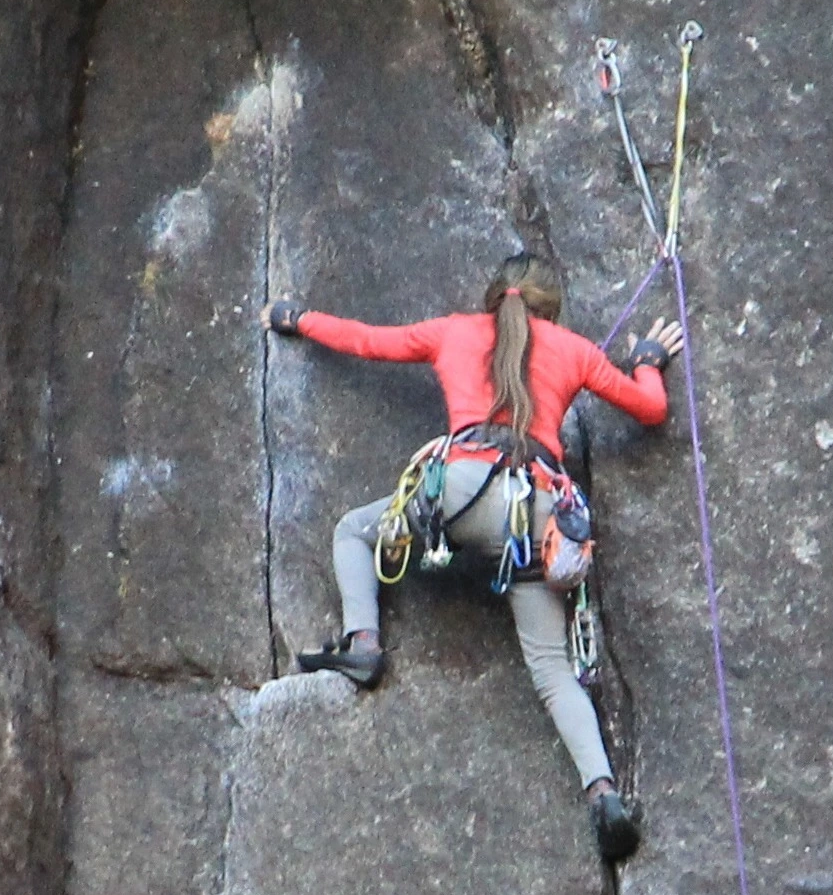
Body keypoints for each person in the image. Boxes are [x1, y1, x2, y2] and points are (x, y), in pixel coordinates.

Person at [264, 252, 683, 864]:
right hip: (539, 518)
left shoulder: (456, 331)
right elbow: (651, 410)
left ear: (494, 298)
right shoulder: (573, 349)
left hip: (460, 494)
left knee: (355, 533)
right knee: (552, 671)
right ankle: (603, 794)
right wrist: (647, 361)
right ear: (550, 306)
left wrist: (294, 316)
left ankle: (364, 643)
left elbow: (367, 341)